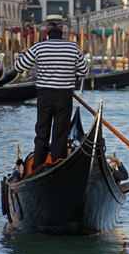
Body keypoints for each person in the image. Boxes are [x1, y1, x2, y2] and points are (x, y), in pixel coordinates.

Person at [14, 14, 88, 171]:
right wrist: (69, 74)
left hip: (45, 95)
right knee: (60, 133)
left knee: (42, 131)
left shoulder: (38, 48)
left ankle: (38, 166)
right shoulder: (73, 48)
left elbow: (19, 67)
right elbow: (84, 71)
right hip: (64, 95)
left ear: (46, 30)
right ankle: (58, 165)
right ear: (62, 29)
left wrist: (21, 54)